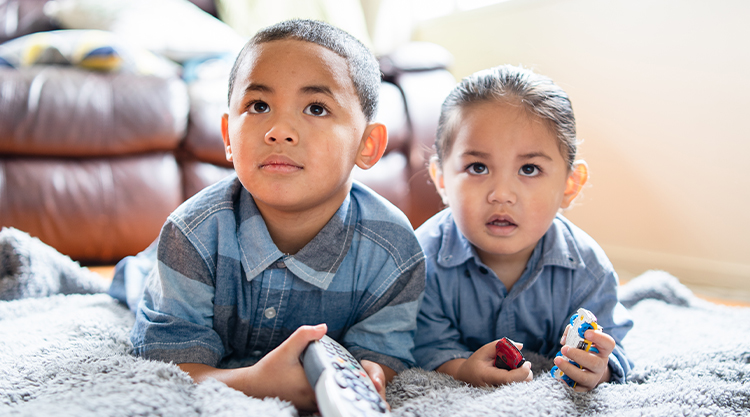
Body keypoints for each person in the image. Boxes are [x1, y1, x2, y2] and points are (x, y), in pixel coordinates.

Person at [112, 19, 425, 412]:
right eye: (259, 106)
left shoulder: (394, 250)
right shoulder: (190, 235)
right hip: (162, 275)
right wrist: (252, 382)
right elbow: (169, 369)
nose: (279, 130)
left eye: (316, 108)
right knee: (133, 282)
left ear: (368, 144)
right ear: (228, 137)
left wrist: (371, 374)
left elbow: (385, 353)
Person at [412, 64, 633, 392]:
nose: (501, 194)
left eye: (529, 169)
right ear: (442, 179)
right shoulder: (420, 262)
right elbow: (422, 343)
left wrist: (598, 370)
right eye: (477, 167)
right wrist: (460, 369)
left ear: (570, 185)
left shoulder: (587, 269)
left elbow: (614, 346)